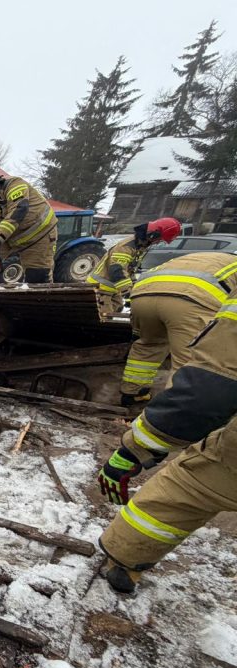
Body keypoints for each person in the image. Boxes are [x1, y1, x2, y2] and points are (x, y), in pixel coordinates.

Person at [96, 286, 237, 593]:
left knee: (190, 487)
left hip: (147, 295)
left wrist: (137, 449)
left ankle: (123, 562)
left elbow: (207, 390)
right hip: (183, 299)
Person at [118, 250, 237, 406]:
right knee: (190, 359)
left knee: (149, 345)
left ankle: (133, 393)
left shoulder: (210, 258)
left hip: (142, 295)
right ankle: (171, 412)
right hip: (190, 300)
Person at [87, 218, 181, 317]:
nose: (157, 243)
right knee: (104, 318)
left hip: (113, 287)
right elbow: (117, 271)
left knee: (118, 308)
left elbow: (130, 270)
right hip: (100, 287)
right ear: (153, 234)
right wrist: (128, 294)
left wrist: (133, 290)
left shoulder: (139, 246)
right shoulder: (126, 247)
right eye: (159, 239)